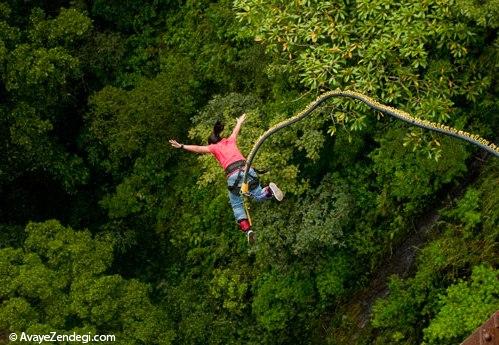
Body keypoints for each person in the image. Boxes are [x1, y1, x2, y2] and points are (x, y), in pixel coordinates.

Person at [169, 114, 283, 243]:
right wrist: (239, 121)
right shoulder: (230, 140)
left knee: (236, 204)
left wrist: (182, 146)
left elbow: (198, 149)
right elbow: (235, 131)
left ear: (211, 143)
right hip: (247, 170)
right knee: (258, 194)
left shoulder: (213, 147)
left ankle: (247, 230)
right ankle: (269, 191)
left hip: (233, 176)